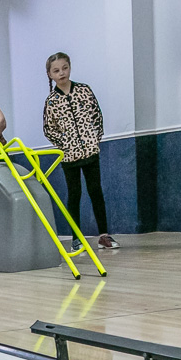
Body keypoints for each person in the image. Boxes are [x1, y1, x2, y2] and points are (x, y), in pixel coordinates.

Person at [40, 55, 117, 250]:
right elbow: (49, 129)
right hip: (69, 156)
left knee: (95, 191)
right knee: (74, 194)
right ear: (50, 74)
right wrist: (65, 144)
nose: (62, 73)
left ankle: (104, 235)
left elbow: (97, 116)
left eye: (65, 68)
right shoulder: (51, 101)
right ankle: (76, 238)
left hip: (91, 151)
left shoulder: (84, 90)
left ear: (70, 68)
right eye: (56, 70)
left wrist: (94, 138)